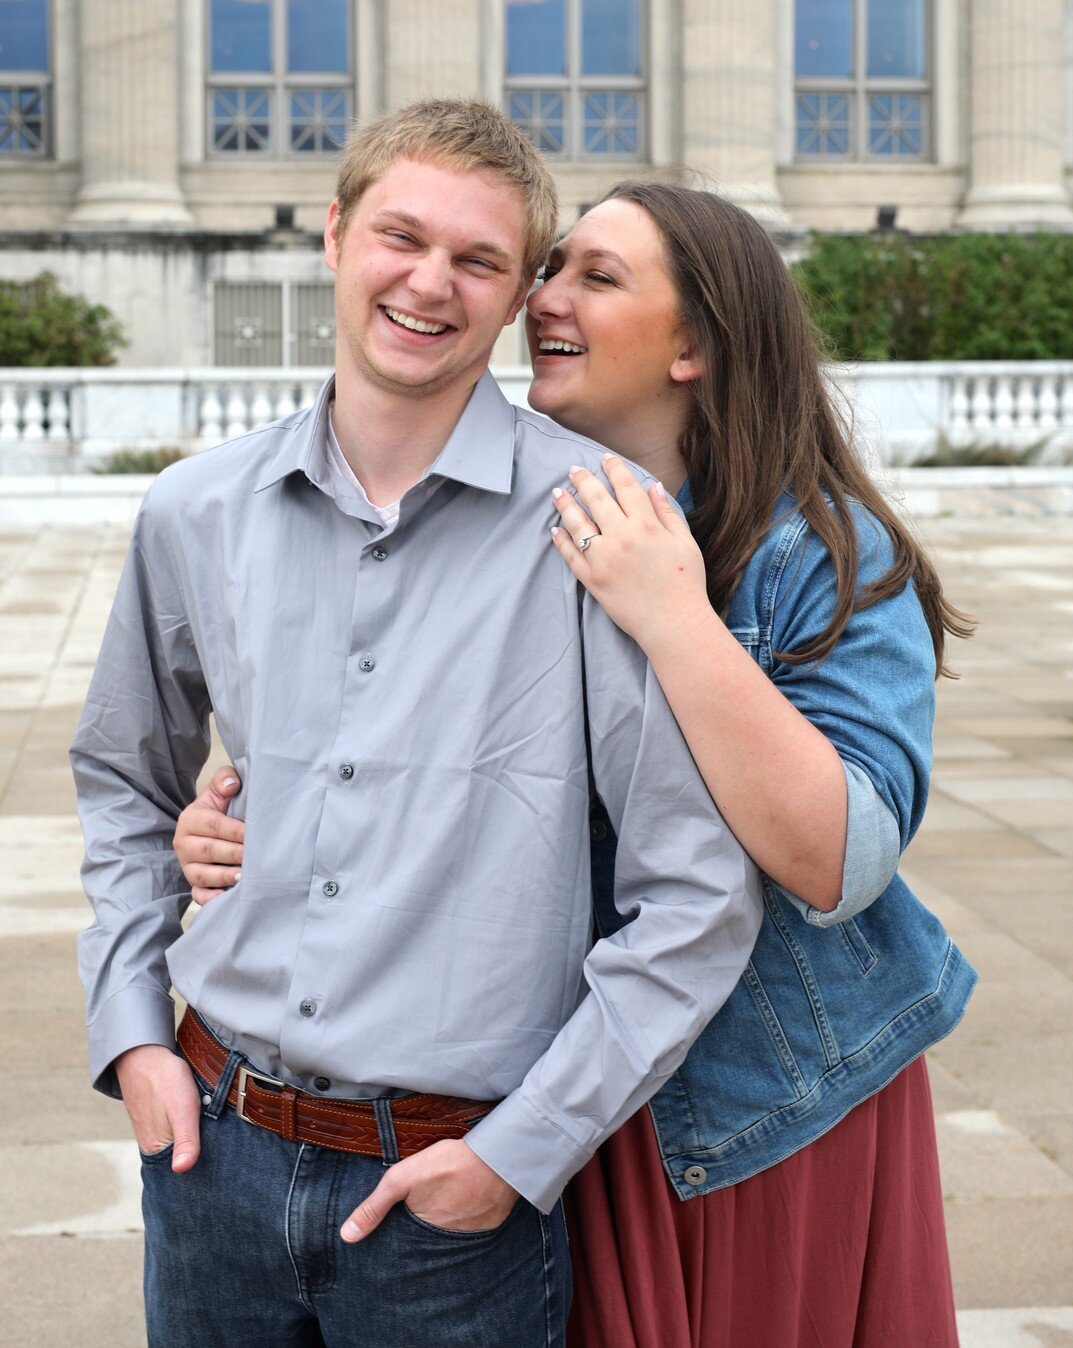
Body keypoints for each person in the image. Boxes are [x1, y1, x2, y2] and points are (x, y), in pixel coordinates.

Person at [177, 179, 977, 1347]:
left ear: (697, 343)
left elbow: (839, 858)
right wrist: (243, 823)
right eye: (549, 267)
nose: (543, 295)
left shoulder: (821, 554)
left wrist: (677, 613)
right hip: (557, 1082)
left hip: (758, 1098)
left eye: (596, 276)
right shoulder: (518, 520)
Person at [72, 106, 763, 1348]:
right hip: (205, 1157)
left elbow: (699, 894)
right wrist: (131, 1036)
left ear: (514, 303)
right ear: (337, 236)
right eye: (401, 235)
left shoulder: (604, 526)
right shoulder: (193, 512)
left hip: (453, 1205)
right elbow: (123, 782)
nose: (429, 282)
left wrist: (517, 1151)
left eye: (480, 260)